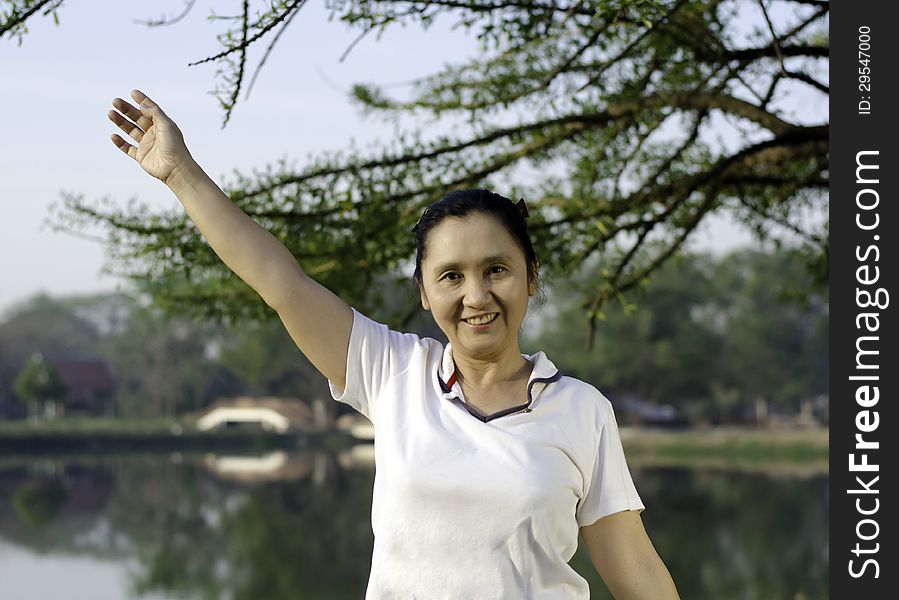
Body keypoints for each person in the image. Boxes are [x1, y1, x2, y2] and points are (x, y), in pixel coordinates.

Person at [108, 89, 680, 600]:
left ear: (530, 276)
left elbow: (636, 574)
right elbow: (281, 284)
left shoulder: (582, 410)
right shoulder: (393, 372)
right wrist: (180, 173)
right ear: (426, 295)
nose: (477, 295)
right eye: (451, 276)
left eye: (497, 270)